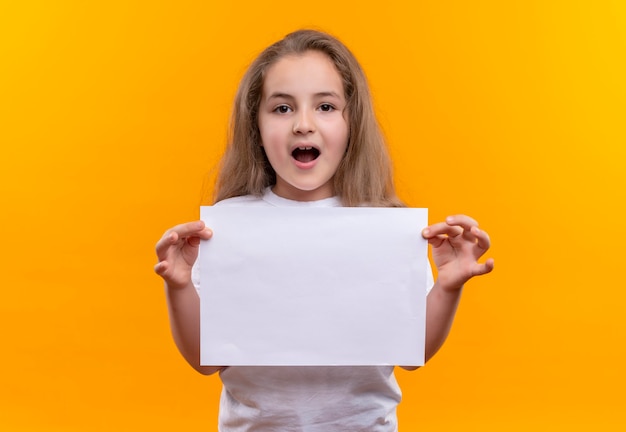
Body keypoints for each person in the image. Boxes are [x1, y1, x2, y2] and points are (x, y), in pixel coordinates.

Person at [154, 29, 494, 431]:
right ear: (256, 127)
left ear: (353, 123)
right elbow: (205, 360)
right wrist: (178, 285)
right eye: (282, 109)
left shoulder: (385, 229)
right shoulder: (227, 228)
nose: (303, 124)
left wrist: (448, 286)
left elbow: (411, 351)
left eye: (326, 107)